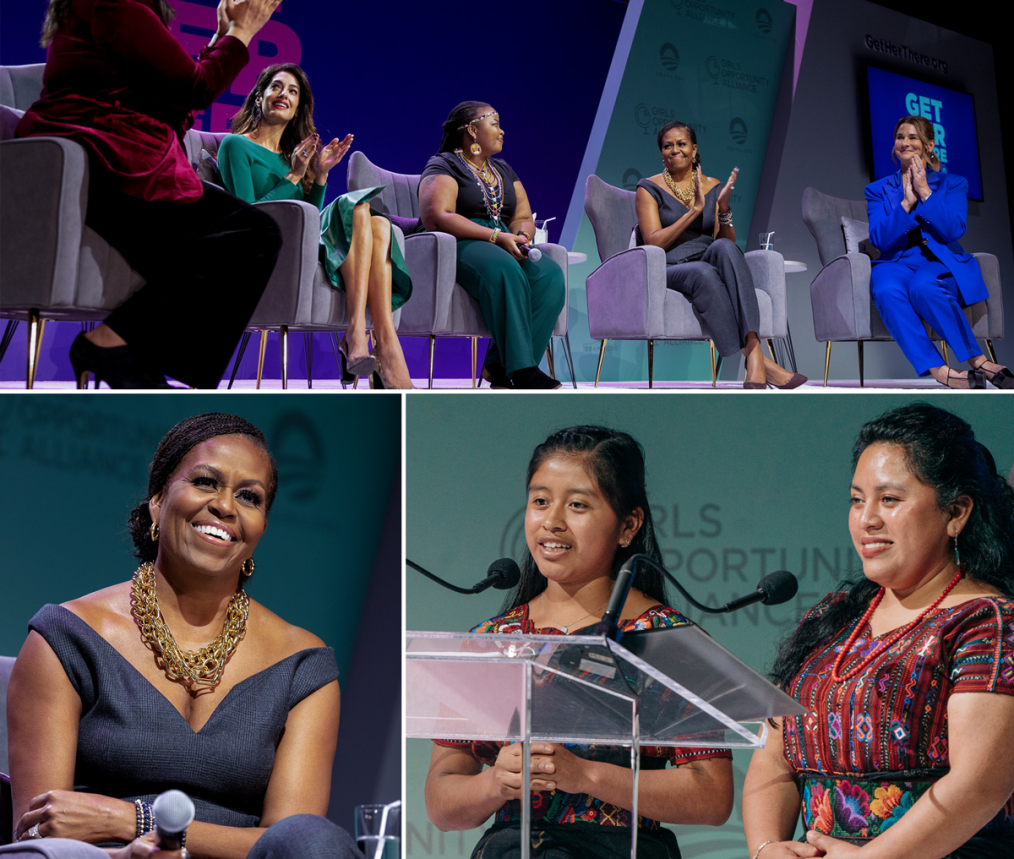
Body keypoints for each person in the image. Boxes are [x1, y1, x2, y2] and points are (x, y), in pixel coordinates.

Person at [4, 413, 361, 859]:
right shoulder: (66, 639)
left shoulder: (303, 665)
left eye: (249, 497)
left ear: (261, 529)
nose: (226, 507)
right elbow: (41, 834)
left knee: (315, 840)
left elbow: (290, 841)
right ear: (157, 501)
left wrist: (133, 819)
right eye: (207, 482)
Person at [12, 0, 285, 390]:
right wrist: (242, 33)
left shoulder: (106, 2)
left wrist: (223, 37)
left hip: (119, 161)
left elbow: (174, 100)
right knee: (253, 236)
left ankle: (132, 356)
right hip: (105, 166)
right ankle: (110, 345)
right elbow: (194, 90)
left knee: (250, 237)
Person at [425, 426, 734, 858]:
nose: (551, 521)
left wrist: (585, 776)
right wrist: (493, 783)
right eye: (540, 501)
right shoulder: (493, 641)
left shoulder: (666, 639)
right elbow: (442, 802)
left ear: (628, 525)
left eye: (577, 505)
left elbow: (712, 796)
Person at [742, 403, 1014, 859]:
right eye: (856, 499)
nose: (866, 518)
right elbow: (774, 758)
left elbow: (981, 784)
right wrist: (768, 848)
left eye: (889, 500)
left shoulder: (987, 621)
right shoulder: (833, 620)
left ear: (957, 512)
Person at [218, 64, 415, 388]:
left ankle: (377, 342)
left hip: (302, 249)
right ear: (259, 97)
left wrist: (320, 175)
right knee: (355, 206)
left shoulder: (293, 156)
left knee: (378, 226)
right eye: (277, 87)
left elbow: (307, 217)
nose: (284, 95)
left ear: (298, 108)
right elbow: (248, 217)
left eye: (293, 91)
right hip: (262, 249)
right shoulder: (236, 146)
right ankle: (369, 344)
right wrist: (295, 176)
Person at [635, 121, 806, 389]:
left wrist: (723, 209)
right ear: (661, 153)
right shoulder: (648, 188)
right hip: (669, 266)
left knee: (727, 249)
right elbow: (654, 243)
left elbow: (723, 241)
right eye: (668, 146)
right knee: (704, 273)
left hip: (707, 258)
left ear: (694, 149)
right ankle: (760, 362)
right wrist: (694, 211)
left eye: (681, 144)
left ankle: (752, 346)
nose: (674, 150)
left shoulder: (712, 185)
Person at [418, 102, 566, 390]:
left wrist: (521, 236)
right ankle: (523, 369)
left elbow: (523, 215)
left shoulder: (503, 170)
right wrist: (495, 237)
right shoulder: (444, 163)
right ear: (473, 130)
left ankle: (497, 364)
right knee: (503, 269)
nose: (502, 130)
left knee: (550, 275)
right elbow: (438, 215)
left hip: (502, 240)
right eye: (494, 123)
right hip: (459, 241)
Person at [866, 116, 1012, 389]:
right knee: (886, 290)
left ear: (929, 145)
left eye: (913, 137)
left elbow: (953, 230)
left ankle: (977, 360)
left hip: (937, 262)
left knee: (924, 285)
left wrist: (923, 192)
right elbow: (880, 239)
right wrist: (906, 203)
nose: (905, 143)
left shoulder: (953, 183)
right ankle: (940, 370)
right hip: (894, 263)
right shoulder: (877, 190)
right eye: (900, 137)